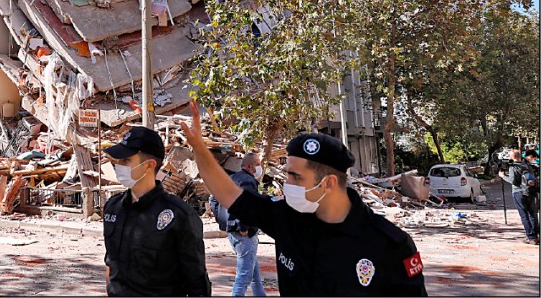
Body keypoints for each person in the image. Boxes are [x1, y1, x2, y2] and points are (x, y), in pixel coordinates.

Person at [181, 99, 428, 296]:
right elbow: (229, 194)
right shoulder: (287, 218)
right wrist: (199, 148)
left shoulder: (390, 245)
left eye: (295, 177)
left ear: (329, 183)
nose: (287, 184)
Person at [102, 125, 212, 296]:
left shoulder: (179, 215)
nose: (119, 166)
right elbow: (111, 265)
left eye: (126, 161)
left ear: (149, 165)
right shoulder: (114, 207)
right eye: (118, 161)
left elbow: (196, 281)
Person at [225, 152, 267, 297]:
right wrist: (244, 228)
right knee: (244, 277)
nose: (259, 168)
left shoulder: (233, 178)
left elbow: (215, 200)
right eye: (257, 164)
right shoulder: (248, 181)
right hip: (244, 235)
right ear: (249, 166)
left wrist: (225, 223)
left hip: (233, 232)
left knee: (254, 273)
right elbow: (246, 206)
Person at [500, 149, 539, 245]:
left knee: (524, 215)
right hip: (530, 192)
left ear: (512, 157)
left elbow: (513, 181)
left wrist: (503, 176)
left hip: (518, 193)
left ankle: (531, 237)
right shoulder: (527, 166)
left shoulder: (513, 167)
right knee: (532, 214)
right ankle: (536, 235)